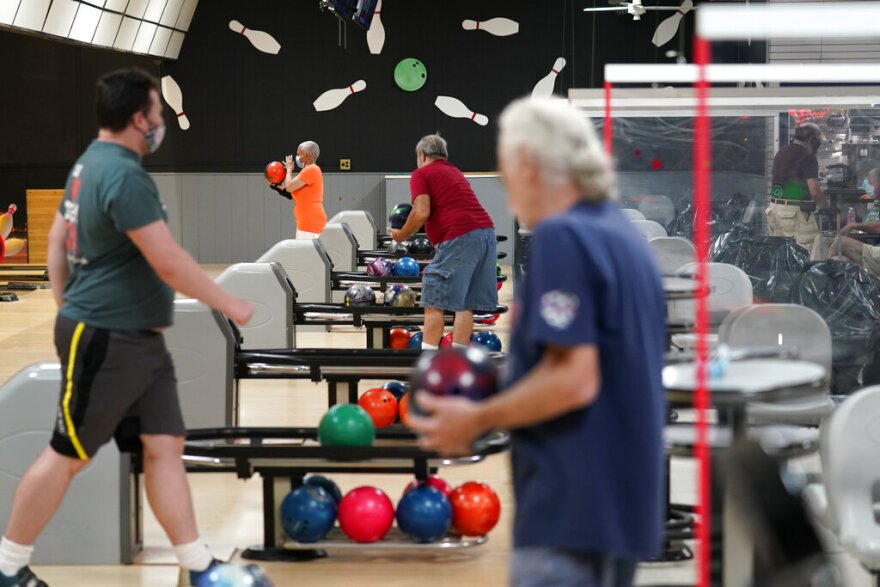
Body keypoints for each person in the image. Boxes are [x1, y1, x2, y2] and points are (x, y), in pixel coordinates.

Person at [0, 68, 255, 587]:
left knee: (166, 444)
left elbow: (54, 243)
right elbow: (167, 261)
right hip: (109, 338)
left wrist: (65, 302)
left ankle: (198, 564)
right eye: (158, 114)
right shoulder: (123, 175)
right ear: (140, 119)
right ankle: (6, 568)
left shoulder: (86, 165)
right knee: (67, 452)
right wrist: (228, 302)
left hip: (140, 340)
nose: (161, 123)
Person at [408, 99, 666, 587]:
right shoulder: (622, 234)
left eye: (507, 174)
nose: (508, 195)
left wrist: (478, 417)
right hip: (625, 499)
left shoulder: (564, 237)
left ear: (529, 162)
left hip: (571, 505)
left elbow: (573, 379)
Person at [390, 134, 497, 349]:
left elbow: (420, 212)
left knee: (433, 302)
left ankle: (428, 366)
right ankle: (456, 363)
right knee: (467, 304)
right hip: (486, 234)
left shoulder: (422, 173)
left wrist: (400, 235)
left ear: (421, 155)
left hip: (460, 237)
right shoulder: (454, 171)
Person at [767, 122, 825, 251]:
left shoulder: (781, 152)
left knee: (780, 252)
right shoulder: (807, 156)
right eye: (818, 139)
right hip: (793, 213)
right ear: (812, 139)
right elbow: (814, 191)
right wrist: (825, 206)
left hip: (774, 209)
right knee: (806, 249)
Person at [267, 141, 327, 239]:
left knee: (307, 254)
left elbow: (290, 186)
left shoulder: (311, 169)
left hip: (311, 224)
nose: (297, 157)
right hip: (306, 223)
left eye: (299, 154)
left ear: (307, 155)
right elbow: (293, 194)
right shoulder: (308, 171)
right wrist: (279, 188)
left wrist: (289, 170)